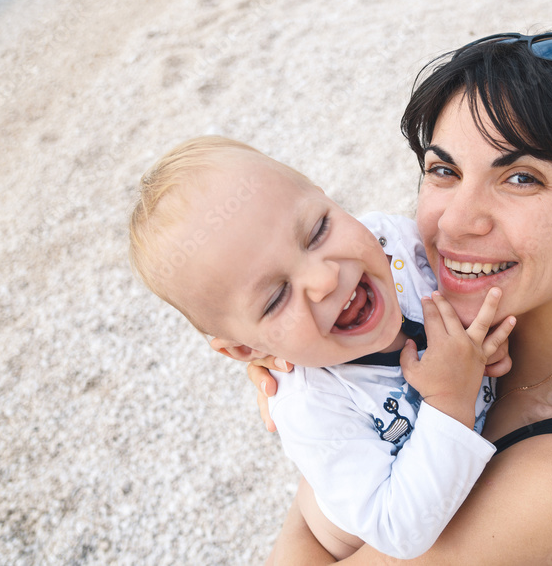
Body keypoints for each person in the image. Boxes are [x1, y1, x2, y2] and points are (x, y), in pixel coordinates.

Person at [248, 32, 552, 564]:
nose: (455, 222)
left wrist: (314, 406)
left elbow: (321, 536)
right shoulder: (476, 318)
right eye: (444, 171)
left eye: (521, 178)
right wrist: (295, 355)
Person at [128, 136, 515, 559]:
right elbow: (399, 530)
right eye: (276, 299)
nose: (324, 279)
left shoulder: (399, 246)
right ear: (245, 350)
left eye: (317, 231)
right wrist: (451, 400)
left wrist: (482, 344)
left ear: (326, 196)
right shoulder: (311, 407)